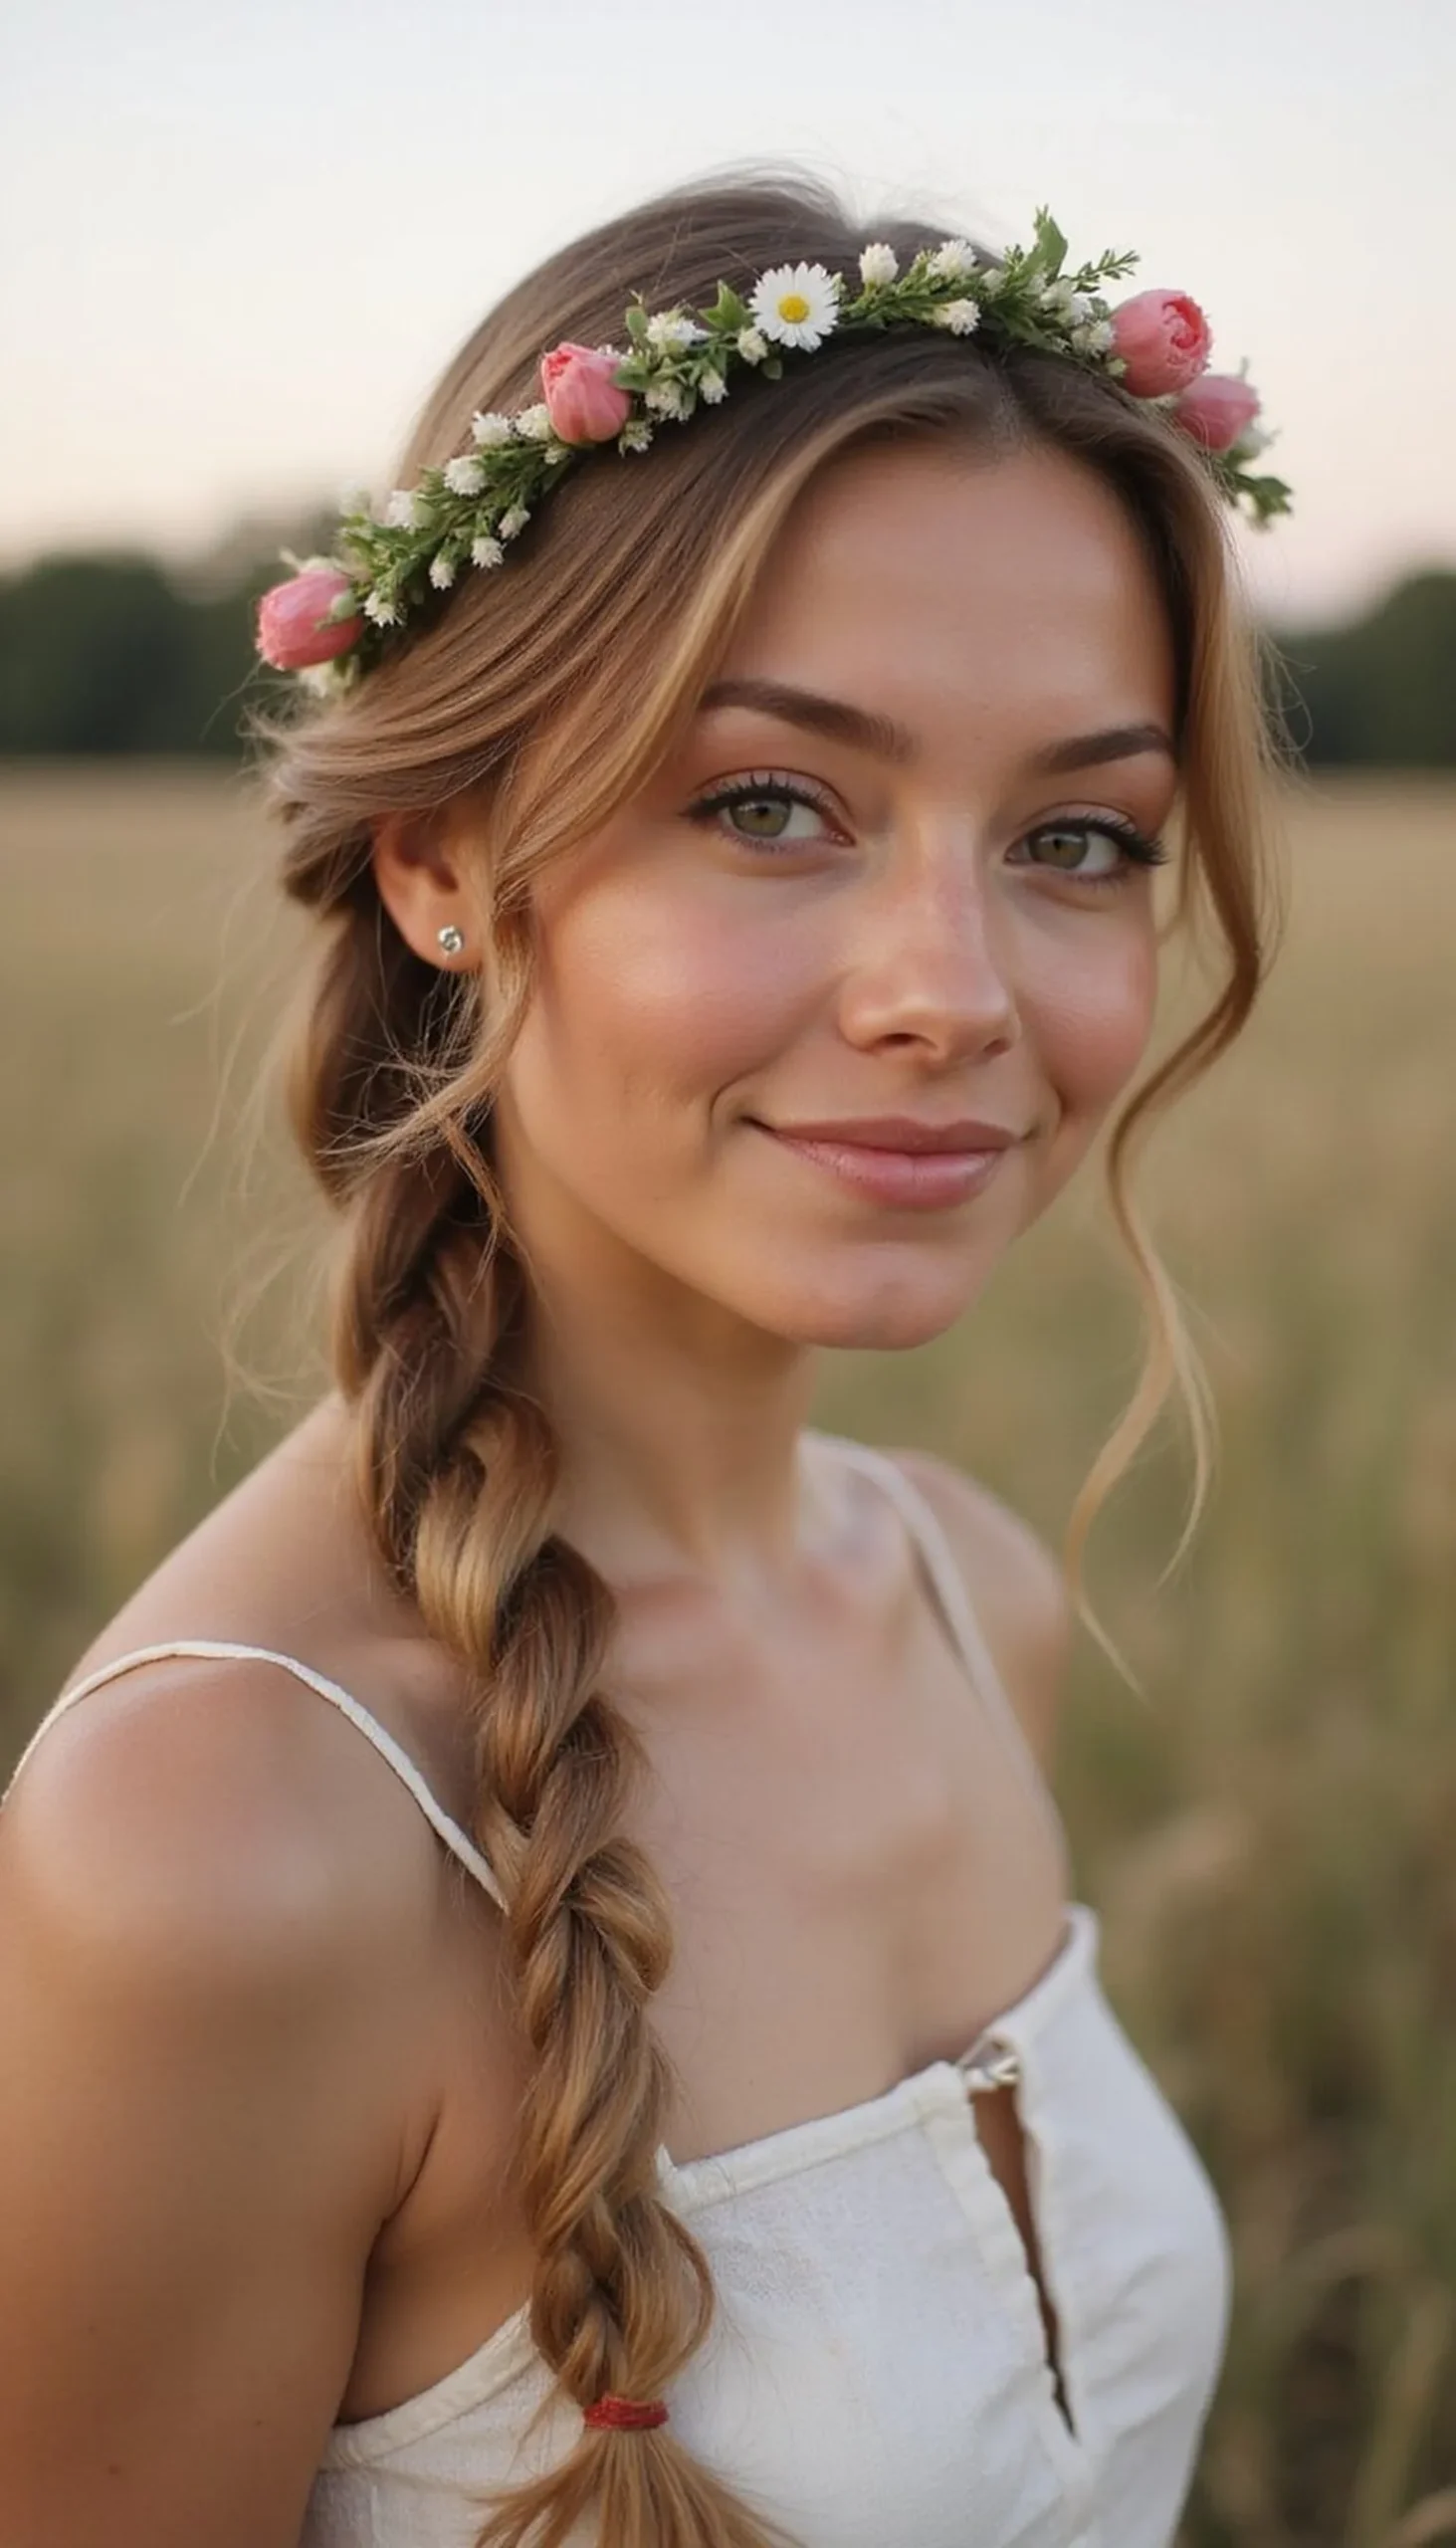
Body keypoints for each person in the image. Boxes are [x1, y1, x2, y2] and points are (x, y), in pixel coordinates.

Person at [0, 172, 1283, 2548]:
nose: (955, 986)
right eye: (768, 803)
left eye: (1079, 835)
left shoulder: (962, 1597)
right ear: (444, 859)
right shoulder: (222, 1838)